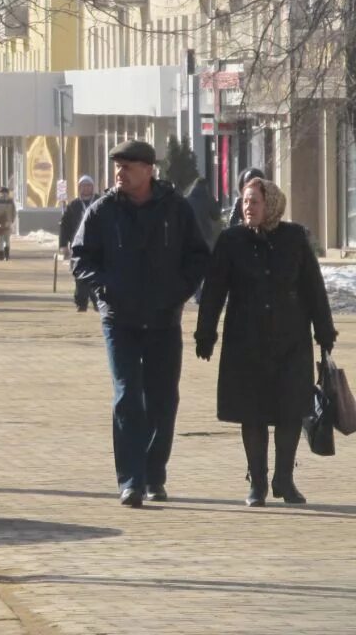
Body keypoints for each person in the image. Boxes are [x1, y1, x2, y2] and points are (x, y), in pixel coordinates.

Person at [72, 139, 211, 507]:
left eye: (128, 166)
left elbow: (198, 257)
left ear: (149, 170)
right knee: (127, 396)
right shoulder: (103, 211)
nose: (120, 173)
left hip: (164, 320)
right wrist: (103, 289)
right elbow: (81, 256)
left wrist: (179, 291)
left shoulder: (176, 210)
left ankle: (155, 475)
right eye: (117, 166)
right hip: (120, 321)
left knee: (163, 400)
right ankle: (131, 480)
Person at [194, 177, 336, 506]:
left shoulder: (295, 238)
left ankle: (284, 480)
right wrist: (206, 333)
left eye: (255, 201)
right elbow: (214, 291)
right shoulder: (231, 241)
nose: (248, 207)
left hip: (291, 341)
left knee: (290, 412)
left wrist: (325, 332)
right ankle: (256, 482)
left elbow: (313, 288)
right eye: (244, 201)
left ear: (270, 204)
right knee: (252, 412)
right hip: (246, 343)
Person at [59, 175, 98, 311]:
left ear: (92, 187)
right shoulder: (74, 206)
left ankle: (97, 301)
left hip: (97, 246)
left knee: (96, 275)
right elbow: (64, 226)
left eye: (88, 185)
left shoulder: (100, 202)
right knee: (80, 275)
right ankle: (81, 302)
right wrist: (63, 245)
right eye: (83, 186)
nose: (86, 188)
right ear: (79, 188)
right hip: (79, 246)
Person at [186, 175, 224, 251]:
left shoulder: (187, 200)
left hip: (190, 237)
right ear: (206, 186)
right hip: (206, 236)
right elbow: (216, 216)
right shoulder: (209, 199)